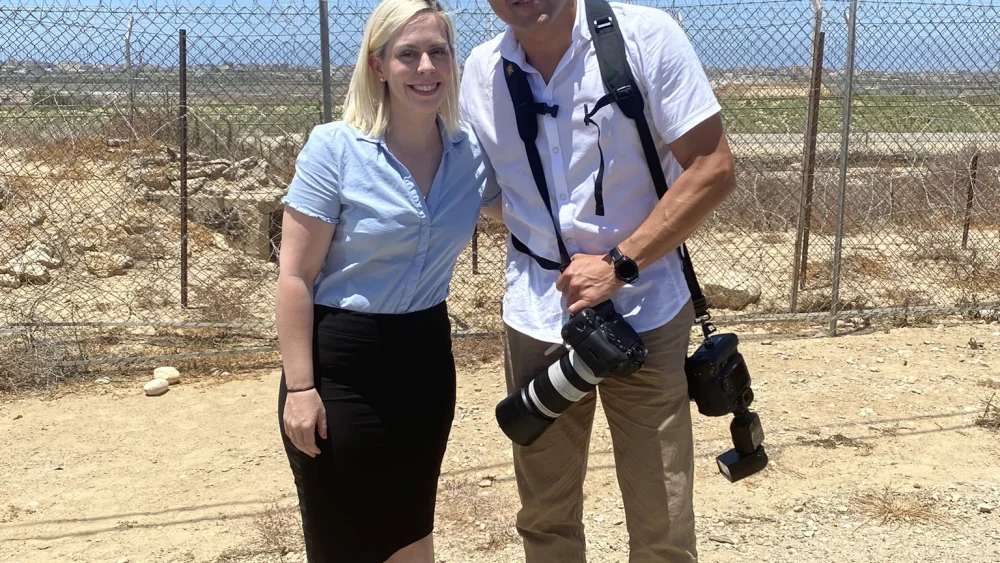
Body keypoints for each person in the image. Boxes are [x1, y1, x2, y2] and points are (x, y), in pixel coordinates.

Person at [460, 0, 736, 561]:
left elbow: (712, 167)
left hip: (647, 312)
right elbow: (489, 194)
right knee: (545, 514)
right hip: (539, 315)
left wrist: (620, 262)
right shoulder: (480, 71)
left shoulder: (644, 37)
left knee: (662, 514)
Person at [274, 0, 489, 561]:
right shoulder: (335, 149)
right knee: (345, 539)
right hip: (342, 365)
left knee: (412, 533)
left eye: (437, 52)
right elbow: (295, 276)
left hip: (425, 364)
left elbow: (531, 214)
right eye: (408, 54)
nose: (425, 68)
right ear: (378, 66)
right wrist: (300, 389)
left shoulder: (470, 156)